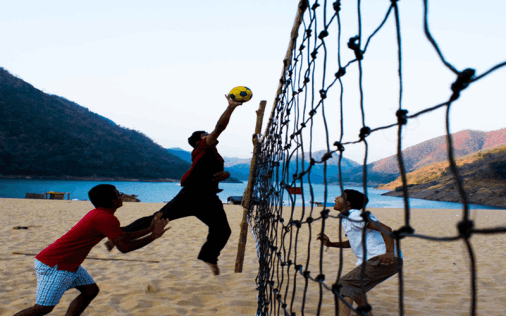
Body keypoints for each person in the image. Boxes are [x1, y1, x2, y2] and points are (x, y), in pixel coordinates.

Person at [107, 95, 243, 275]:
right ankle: (116, 236)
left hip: (209, 198)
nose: (209, 135)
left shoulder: (213, 154)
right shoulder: (203, 147)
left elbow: (213, 173)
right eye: (205, 134)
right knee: (156, 218)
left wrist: (226, 174)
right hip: (192, 195)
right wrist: (231, 107)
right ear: (198, 141)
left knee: (222, 230)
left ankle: (209, 256)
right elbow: (219, 128)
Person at [14, 184, 169, 316]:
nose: (121, 196)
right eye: (118, 194)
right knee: (43, 308)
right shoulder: (105, 218)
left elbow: (122, 236)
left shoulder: (101, 215)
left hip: (68, 264)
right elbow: (124, 247)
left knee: (90, 291)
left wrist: (149, 229)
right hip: (56, 264)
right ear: (113, 201)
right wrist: (153, 236)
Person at [317, 189, 403, 316]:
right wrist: (331, 244)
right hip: (388, 259)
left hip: (382, 257)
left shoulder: (354, 215)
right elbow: (353, 241)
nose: (336, 198)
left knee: (343, 285)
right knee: (355, 289)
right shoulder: (349, 218)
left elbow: (386, 229)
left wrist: (389, 252)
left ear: (349, 203)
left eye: (340, 197)